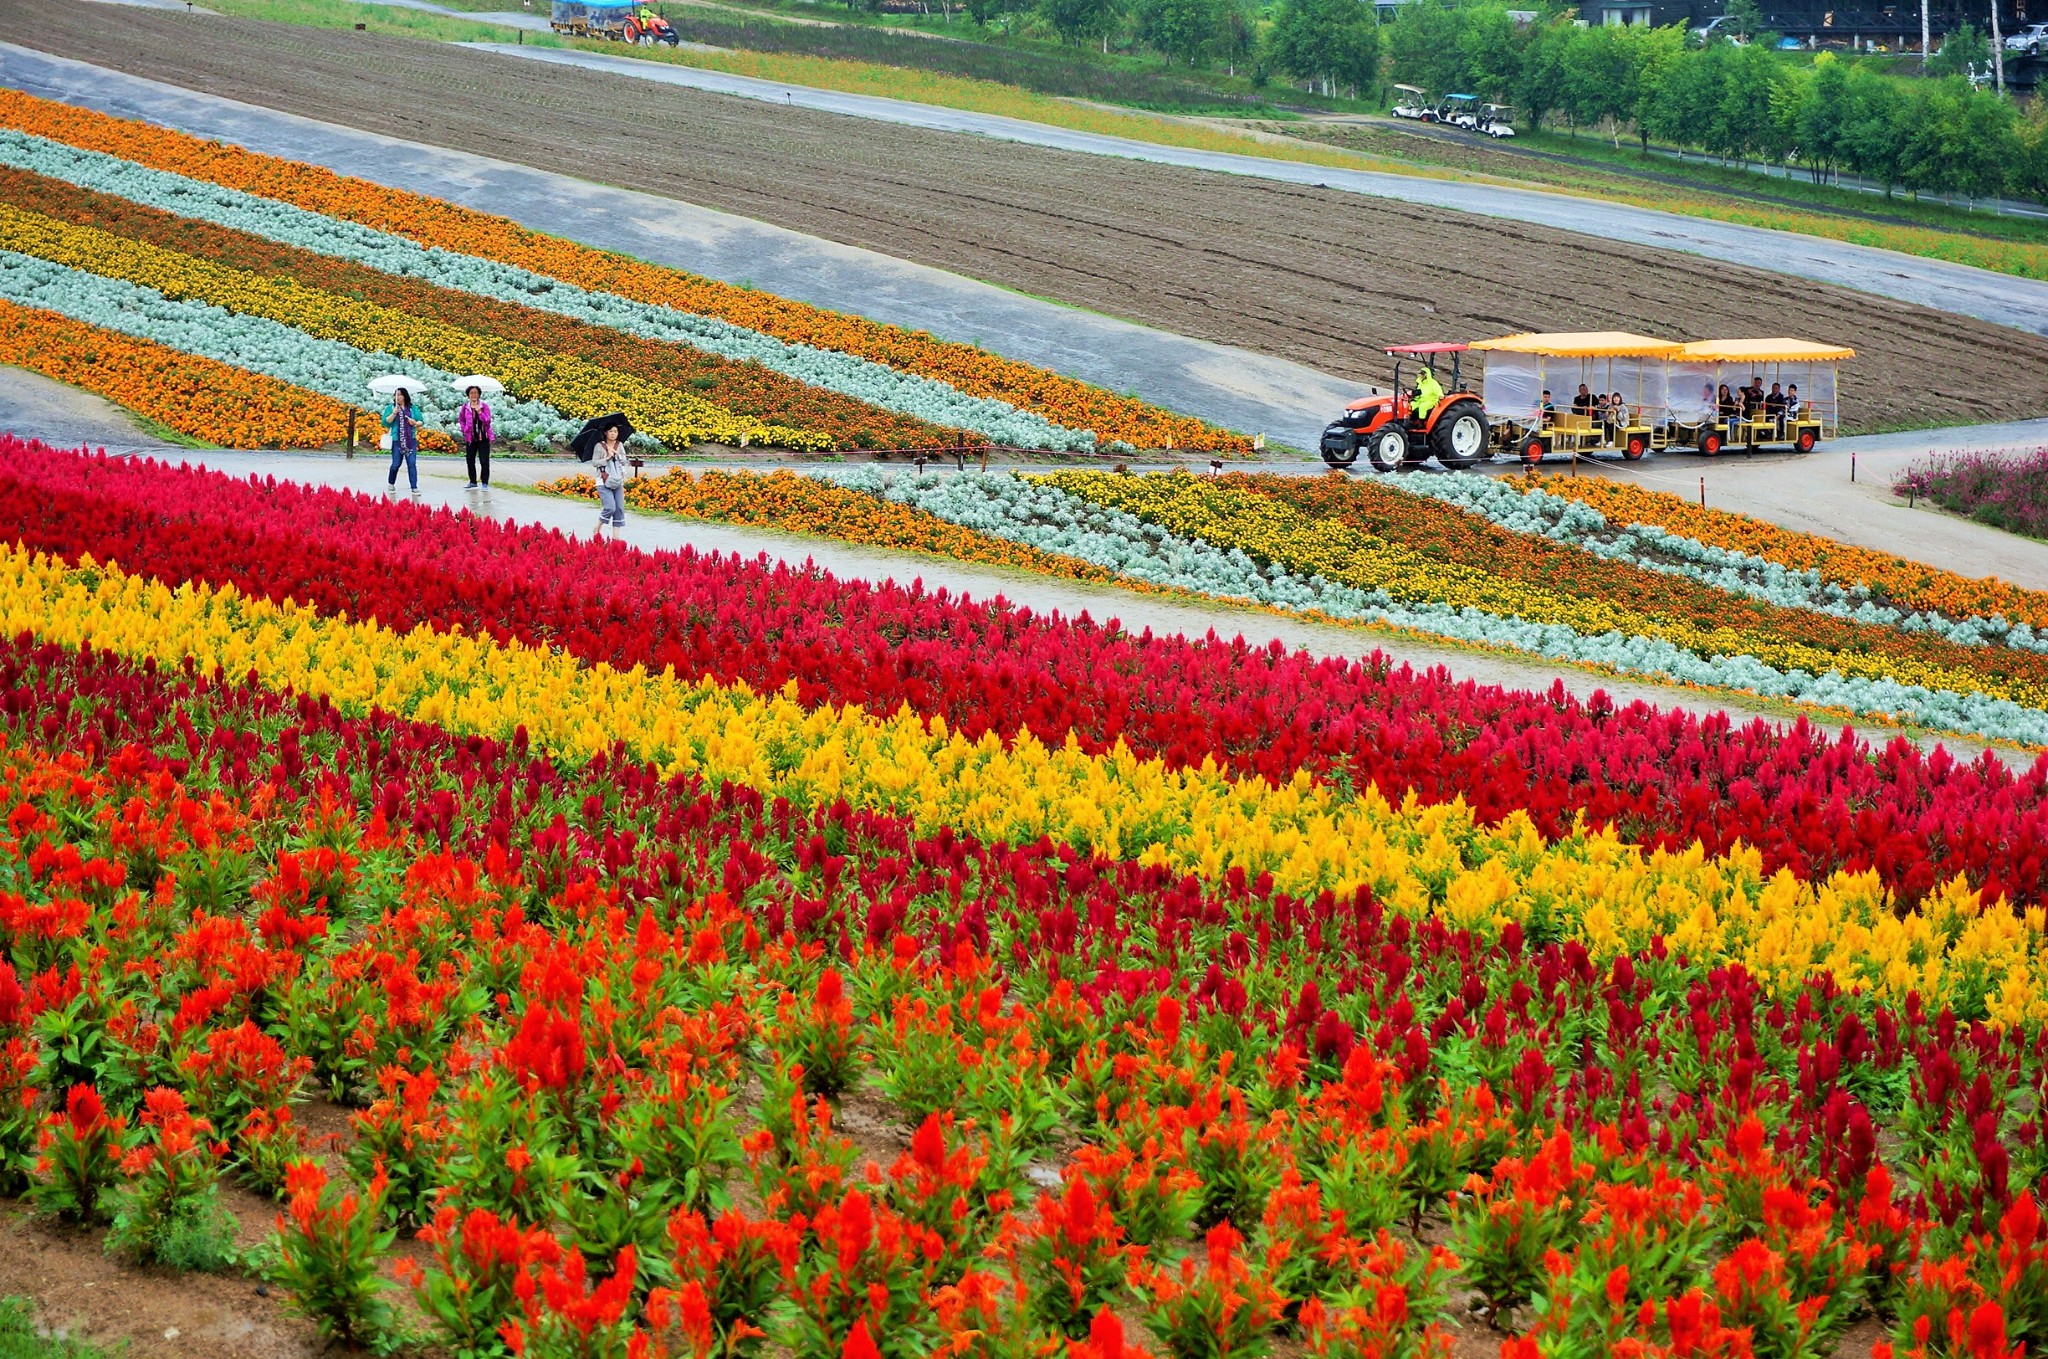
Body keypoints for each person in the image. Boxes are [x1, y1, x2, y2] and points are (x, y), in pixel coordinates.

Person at [593, 424, 630, 530]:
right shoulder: (599, 446)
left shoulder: (619, 445)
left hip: (617, 479)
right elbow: (595, 463)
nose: (613, 434)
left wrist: (617, 454)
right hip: (603, 480)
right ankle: (597, 527)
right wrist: (607, 457)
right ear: (605, 433)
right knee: (610, 507)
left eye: (615, 431)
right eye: (611, 431)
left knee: (619, 508)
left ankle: (616, 537)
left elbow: (624, 461)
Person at [384, 386, 419, 493]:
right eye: (396, 395)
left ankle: (414, 486)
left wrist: (415, 422)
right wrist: (394, 413)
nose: (398, 397)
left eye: (400, 394)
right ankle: (391, 483)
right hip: (397, 440)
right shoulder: (391, 408)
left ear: (405, 396)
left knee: (411, 464)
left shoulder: (413, 408)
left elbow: (420, 421)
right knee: (396, 464)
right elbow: (386, 422)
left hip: (410, 440)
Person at [458, 385, 494, 489]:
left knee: (484, 461)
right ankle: (473, 481)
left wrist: (480, 412)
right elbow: (461, 420)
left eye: (476, 393)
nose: (474, 395)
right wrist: (465, 429)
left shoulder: (484, 406)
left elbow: (488, 421)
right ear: (468, 395)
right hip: (471, 438)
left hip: (483, 437)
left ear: (479, 394)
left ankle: (485, 483)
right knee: (470, 460)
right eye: (471, 393)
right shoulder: (465, 407)